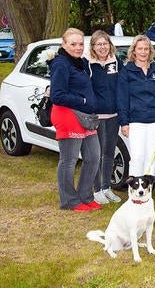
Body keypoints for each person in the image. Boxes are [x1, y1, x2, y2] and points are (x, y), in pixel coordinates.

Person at [48, 28, 101, 212]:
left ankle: (86, 196)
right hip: (68, 114)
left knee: (93, 157)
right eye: (73, 44)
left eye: (80, 44)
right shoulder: (61, 64)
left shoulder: (80, 63)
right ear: (64, 44)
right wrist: (83, 101)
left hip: (85, 117)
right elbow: (57, 95)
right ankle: (69, 201)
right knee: (69, 161)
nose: (78, 48)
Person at [117, 35, 155, 178]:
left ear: (150, 51)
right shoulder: (126, 71)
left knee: (150, 158)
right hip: (136, 121)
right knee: (137, 157)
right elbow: (122, 99)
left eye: (146, 49)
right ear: (134, 51)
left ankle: (147, 191)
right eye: (140, 48)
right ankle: (135, 192)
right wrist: (124, 122)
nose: (143, 52)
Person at [88, 30, 122, 204]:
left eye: (105, 43)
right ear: (93, 47)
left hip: (114, 115)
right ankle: (96, 190)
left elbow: (123, 86)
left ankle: (106, 187)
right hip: (96, 117)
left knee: (109, 153)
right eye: (98, 44)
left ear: (110, 45)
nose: (102, 47)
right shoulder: (88, 64)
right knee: (96, 154)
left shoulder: (116, 62)